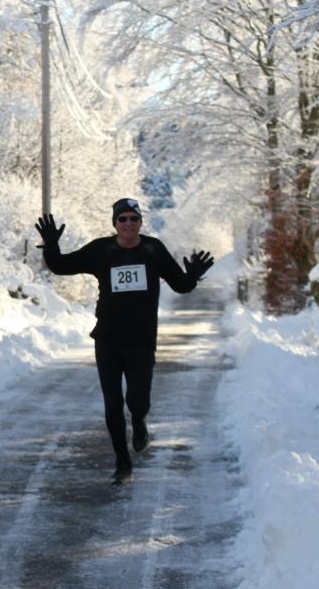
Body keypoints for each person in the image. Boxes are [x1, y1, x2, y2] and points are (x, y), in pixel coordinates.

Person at [35, 198, 213, 484]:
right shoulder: (101, 250)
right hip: (107, 338)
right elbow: (61, 266)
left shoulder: (153, 250)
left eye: (133, 218)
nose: (128, 224)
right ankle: (122, 463)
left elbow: (180, 284)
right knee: (113, 403)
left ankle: (140, 422)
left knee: (137, 399)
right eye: (122, 219)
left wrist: (192, 275)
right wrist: (51, 244)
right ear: (114, 223)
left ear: (141, 222)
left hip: (142, 339)